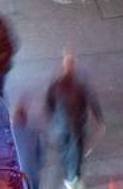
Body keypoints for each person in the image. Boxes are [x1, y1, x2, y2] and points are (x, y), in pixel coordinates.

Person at [43, 51, 103, 189]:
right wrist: (100, 120)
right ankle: (73, 179)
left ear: (64, 66)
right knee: (75, 152)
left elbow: (49, 103)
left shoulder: (56, 84)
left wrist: (52, 118)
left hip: (61, 124)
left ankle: (68, 177)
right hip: (76, 124)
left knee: (64, 150)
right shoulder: (80, 85)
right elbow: (92, 102)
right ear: (73, 66)